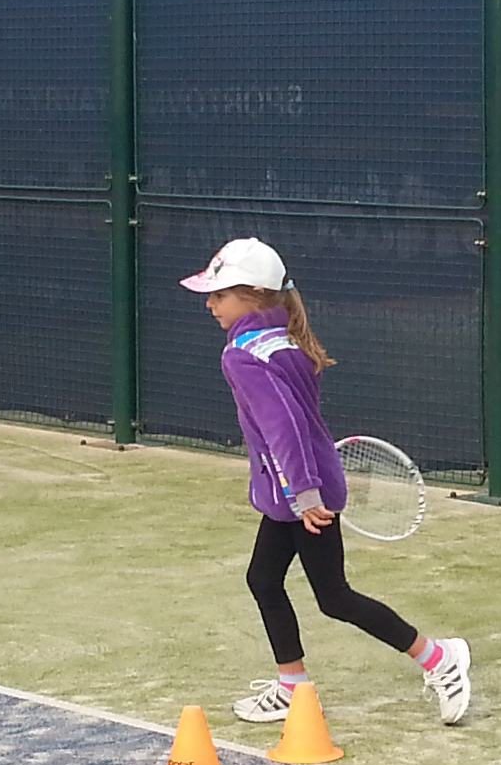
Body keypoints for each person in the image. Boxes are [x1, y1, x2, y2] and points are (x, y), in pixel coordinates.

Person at [181, 237, 472, 727]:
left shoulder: (243, 356)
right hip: (296, 490)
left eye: (220, 294)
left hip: (303, 495)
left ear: (254, 295)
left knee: (334, 597)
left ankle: (439, 659)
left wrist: (304, 493)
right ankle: (292, 685)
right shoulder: (286, 339)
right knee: (263, 579)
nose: (211, 304)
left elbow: (285, 426)